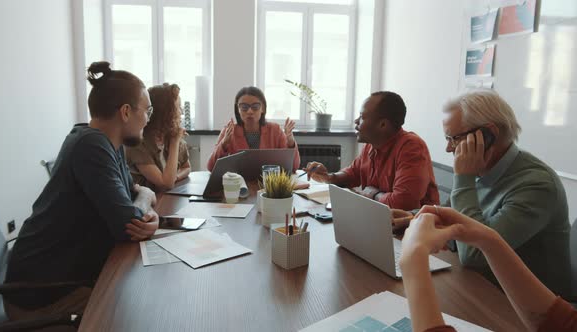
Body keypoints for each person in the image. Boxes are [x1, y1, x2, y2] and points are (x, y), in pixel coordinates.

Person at [3, 62, 159, 324]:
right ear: (125, 112)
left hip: (62, 282)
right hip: (39, 300)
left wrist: (143, 201)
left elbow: (129, 198)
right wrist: (146, 198)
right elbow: (128, 223)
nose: (148, 119)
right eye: (147, 111)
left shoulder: (108, 144)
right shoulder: (91, 146)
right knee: (142, 310)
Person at [392, 90, 570, 296]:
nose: (449, 148)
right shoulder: (484, 166)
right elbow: (450, 215)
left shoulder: (537, 186)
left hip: (532, 310)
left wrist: (463, 178)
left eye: (454, 138)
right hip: (485, 286)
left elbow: (475, 255)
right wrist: (412, 217)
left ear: (488, 136)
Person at [399, 206, 577, 332]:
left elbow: (470, 256)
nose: (450, 150)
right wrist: (488, 240)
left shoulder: (536, 183)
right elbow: (561, 325)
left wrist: (414, 260)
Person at [305, 91, 439, 210]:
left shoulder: (411, 147)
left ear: (383, 125)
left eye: (362, 117)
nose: (356, 121)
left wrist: (372, 194)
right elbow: (352, 174)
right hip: (380, 222)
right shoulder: (371, 146)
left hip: (413, 231)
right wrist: (328, 177)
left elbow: (402, 203)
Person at [206, 86, 300, 171]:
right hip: (239, 184)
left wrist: (290, 142)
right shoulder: (229, 131)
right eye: (244, 107)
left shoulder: (275, 130)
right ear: (238, 110)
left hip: (268, 185)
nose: (250, 111)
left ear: (262, 108)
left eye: (255, 107)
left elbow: (294, 167)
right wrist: (224, 144)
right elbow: (211, 167)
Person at [126, 83, 191, 192]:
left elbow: (186, 167)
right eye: (178, 107)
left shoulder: (170, 135)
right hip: (146, 204)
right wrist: (175, 143)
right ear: (165, 113)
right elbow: (165, 184)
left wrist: (175, 177)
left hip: (166, 199)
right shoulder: (138, 143)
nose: (182, 112)